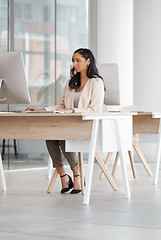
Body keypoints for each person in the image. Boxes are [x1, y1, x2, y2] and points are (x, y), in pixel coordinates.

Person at [25, 48, 104, 194]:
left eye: (78, 60)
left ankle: (77, 174)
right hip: (69, 124)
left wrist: (73, 110)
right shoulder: (71, 83)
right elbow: (61, 106)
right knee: (50, 137)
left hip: (86, 125)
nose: (74, 63)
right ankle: (64, 176)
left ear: (88, 61)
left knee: (62, 136)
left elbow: (95, 109)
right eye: (73, 60)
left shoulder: (96, 82)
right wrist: (42, 110)